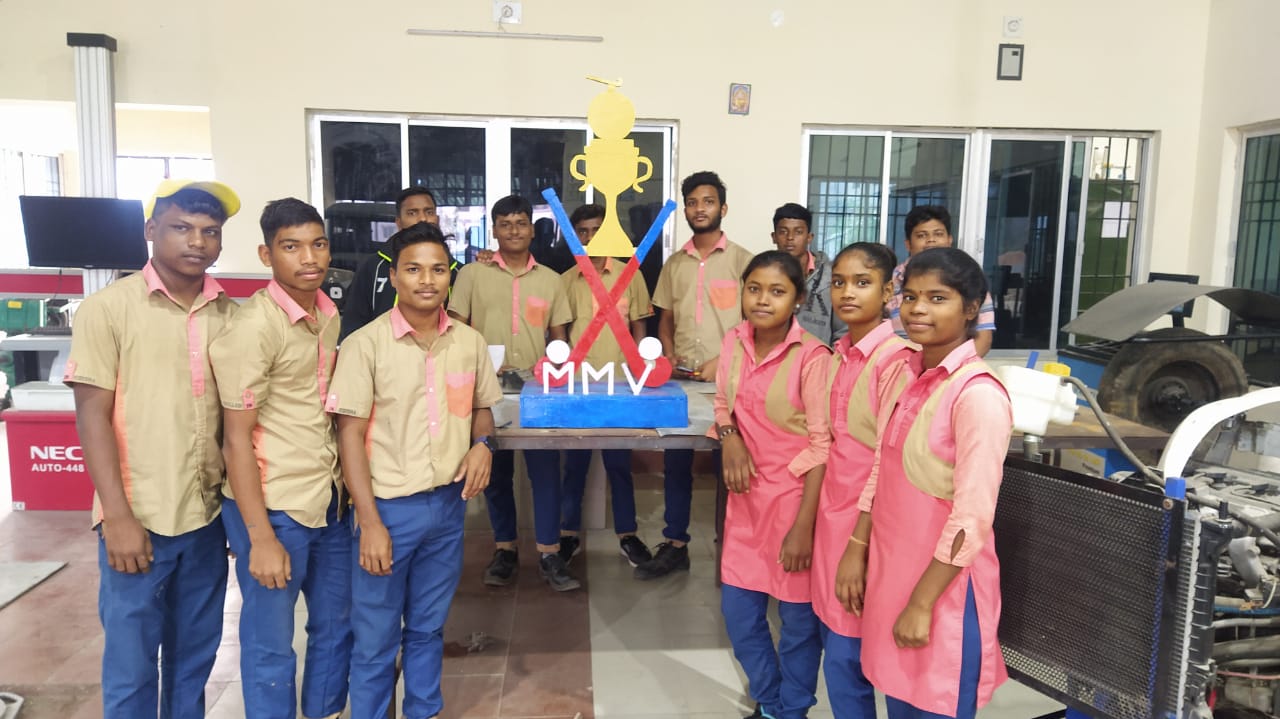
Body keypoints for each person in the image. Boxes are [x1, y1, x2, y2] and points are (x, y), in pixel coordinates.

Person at [65, 179, 240, 719]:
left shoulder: (228, 314)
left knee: (194, 657)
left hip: (206, 515)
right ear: (150, 230)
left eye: (210, 232)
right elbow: (91, 416)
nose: (198, 242)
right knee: (132, 663)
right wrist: (116, 515)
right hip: (138, 516)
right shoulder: (108, 310)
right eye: (181, 228)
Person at [327, 221, 502, 719]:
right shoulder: (364, 345)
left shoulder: (468, 342)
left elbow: (481, 408)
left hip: (446, 508)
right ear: (395, 277)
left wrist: (483, 445)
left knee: (427, 629)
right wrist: (370, 523)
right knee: (375, 637)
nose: (427, 280)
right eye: (414, 270)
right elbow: (349, 438)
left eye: (438, 270)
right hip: (386, 510)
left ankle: (423, 710)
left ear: (450, 276)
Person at [841, 247, 1013, 719]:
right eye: (911, 296)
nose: (918, 309)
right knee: (900, 700)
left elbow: (972, 519)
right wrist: (857, 547)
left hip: (944, 591)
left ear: (971, 308)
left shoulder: (977, 395)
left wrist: (922, 604)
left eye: (938, 298)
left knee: (936, 702)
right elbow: (882, 469)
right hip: (894, 575)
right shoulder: (906, 375)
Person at [209, 198, 350, 719]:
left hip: (328, 498)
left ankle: (324, 711)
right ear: (266, 255)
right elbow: (235, 440)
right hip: (274, 506)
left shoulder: (327, 314)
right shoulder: (253, 327)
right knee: (270, 638)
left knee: (336, 625)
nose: (308, 258)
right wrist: (261, 537)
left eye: (318, 244)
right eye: (291, 247)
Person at [715, 250, 831, 719]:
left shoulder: (814, 358)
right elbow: (722, 403)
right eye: (754, 289)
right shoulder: (734, 341)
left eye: (777, 291)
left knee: (798, 624)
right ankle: (770, 698)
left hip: (793, 505)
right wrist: (729, 437)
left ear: (798, 299)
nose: (763, 300)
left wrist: (804, 526)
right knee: (740, 615)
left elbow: (822, 446)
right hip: (745, 503)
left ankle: (791, 710)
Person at [448, 194, 578, 591]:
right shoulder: (472, 275)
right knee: (496, 471)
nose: (514, 231)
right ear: (494, 230)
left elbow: (560, 338)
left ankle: (549, 553)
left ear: (532, 229)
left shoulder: (551, 280)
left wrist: (556, 371)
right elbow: (455, 329)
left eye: (521, 223)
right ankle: (504, 550)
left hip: (540, 391)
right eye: (505, 224)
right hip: (487, 390)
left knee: (545, 472)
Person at [809, 242, 911, 719]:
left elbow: (886, 464)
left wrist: (858, 544)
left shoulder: (897, 362)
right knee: (838, 651)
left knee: (858, 656)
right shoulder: (840, 355)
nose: (847, 292)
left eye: (862, 283)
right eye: (839, 283)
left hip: (866, 528)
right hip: (834, 520)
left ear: (889, 292)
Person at [637, 170, 752, 580]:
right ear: (684, 210)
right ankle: (676, 544)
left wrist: (723, 361)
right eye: (691, 202)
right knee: (676, 461)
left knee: (733, 464)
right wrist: (668, 355)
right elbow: (665, 320)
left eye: (707, 201)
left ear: (723, 208)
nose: (699, 209)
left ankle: (736, 548)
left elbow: (754, 322)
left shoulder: (743, 261)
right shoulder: (674, 264)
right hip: (682, 379)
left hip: (731, 381)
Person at [557, 203, 655, 568]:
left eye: (597, 230)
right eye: (582, 231)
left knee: (619, 465)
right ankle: (568, 535)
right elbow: (559, 333)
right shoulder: (565, 281)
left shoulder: (631, 275)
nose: (589, 238)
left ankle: (627, 535)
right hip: (578, 388)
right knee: (575, 467)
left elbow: (640, 327)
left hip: (621, 388)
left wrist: (640, 373)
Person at [340, 186, 458, 342]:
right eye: (412, 213)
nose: (422, 219)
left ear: (437, 219)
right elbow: (353, 322)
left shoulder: (457, 271)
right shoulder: (373, 267)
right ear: (398, 222)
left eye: (429, 212)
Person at [887, 206, 995, 356]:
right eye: (921, 235)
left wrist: (953, 367)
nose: (931, 240)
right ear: (908, 244)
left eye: (938, 234)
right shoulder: (892, 280)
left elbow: (983, 338)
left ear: (949, 239)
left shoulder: (968, 278)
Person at [770, 202, 844, 345]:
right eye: (783, 232)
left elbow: (842, 332)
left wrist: (831, 357)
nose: (790, 238)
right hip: (775, 356)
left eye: (798, 232)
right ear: (774, 237)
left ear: (809, 237)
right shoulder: (765, 274)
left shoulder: (831, 277)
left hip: (819, 357)